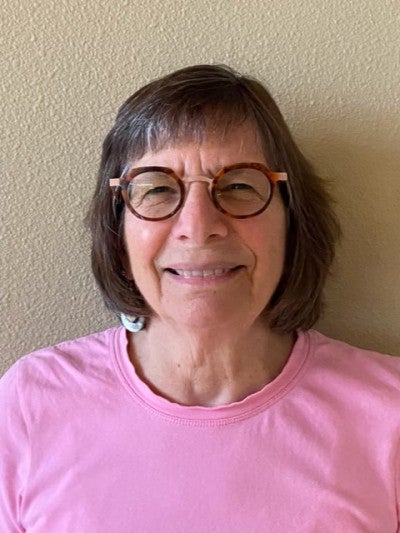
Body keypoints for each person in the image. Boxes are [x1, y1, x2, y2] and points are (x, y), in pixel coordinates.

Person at [1, 64, 399, 532]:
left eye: (238, 186)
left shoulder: (389, 414)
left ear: (293, 221)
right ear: (118, 232)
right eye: (156, 189)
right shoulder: (31, 402)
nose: (198, 226)